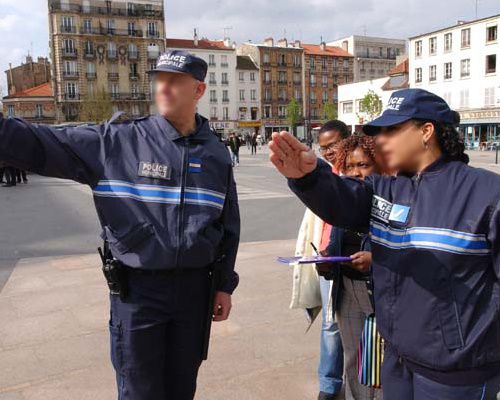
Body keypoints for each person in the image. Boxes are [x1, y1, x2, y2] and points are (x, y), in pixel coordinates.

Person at [0, 50, 240, 400]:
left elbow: (228, 225)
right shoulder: (117, 141)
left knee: (182, 387)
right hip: (139, 293)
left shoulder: (216, 154)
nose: (164, 88)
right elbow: (39, 143)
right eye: (159, 80)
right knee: (139, 390)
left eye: (175, 81)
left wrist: (224, 285)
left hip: (194, 293)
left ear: (199, 90)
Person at [270, 89, 500, 400]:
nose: (380, 140)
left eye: (392, 130)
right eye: (378, 132)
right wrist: (308, 177)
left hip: (458, 375)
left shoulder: (486, 194)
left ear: (426, 132)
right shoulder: (386, 190)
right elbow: (343, 197)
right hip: (397, 363)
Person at [322, 135, 386, 400]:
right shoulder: (344, 199)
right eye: (349, 166)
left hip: (378, 292)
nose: (355, 172)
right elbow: (338, 238)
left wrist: (375, 260)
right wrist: (327, 258)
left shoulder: (388, 198)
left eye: (363, 165)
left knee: (380, 363)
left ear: (380, 165)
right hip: (347, 289)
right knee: (352, 358)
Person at [291, 120, 349, 400]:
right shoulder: (323, 174)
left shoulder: (359, 170)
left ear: (348, 140)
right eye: (323, 147)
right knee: (330, 323)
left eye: (333, 145)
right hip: (327, 259)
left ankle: (362, 381)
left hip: (354, 261)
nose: (328, 152)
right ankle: (328, 384)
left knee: (360, 325)